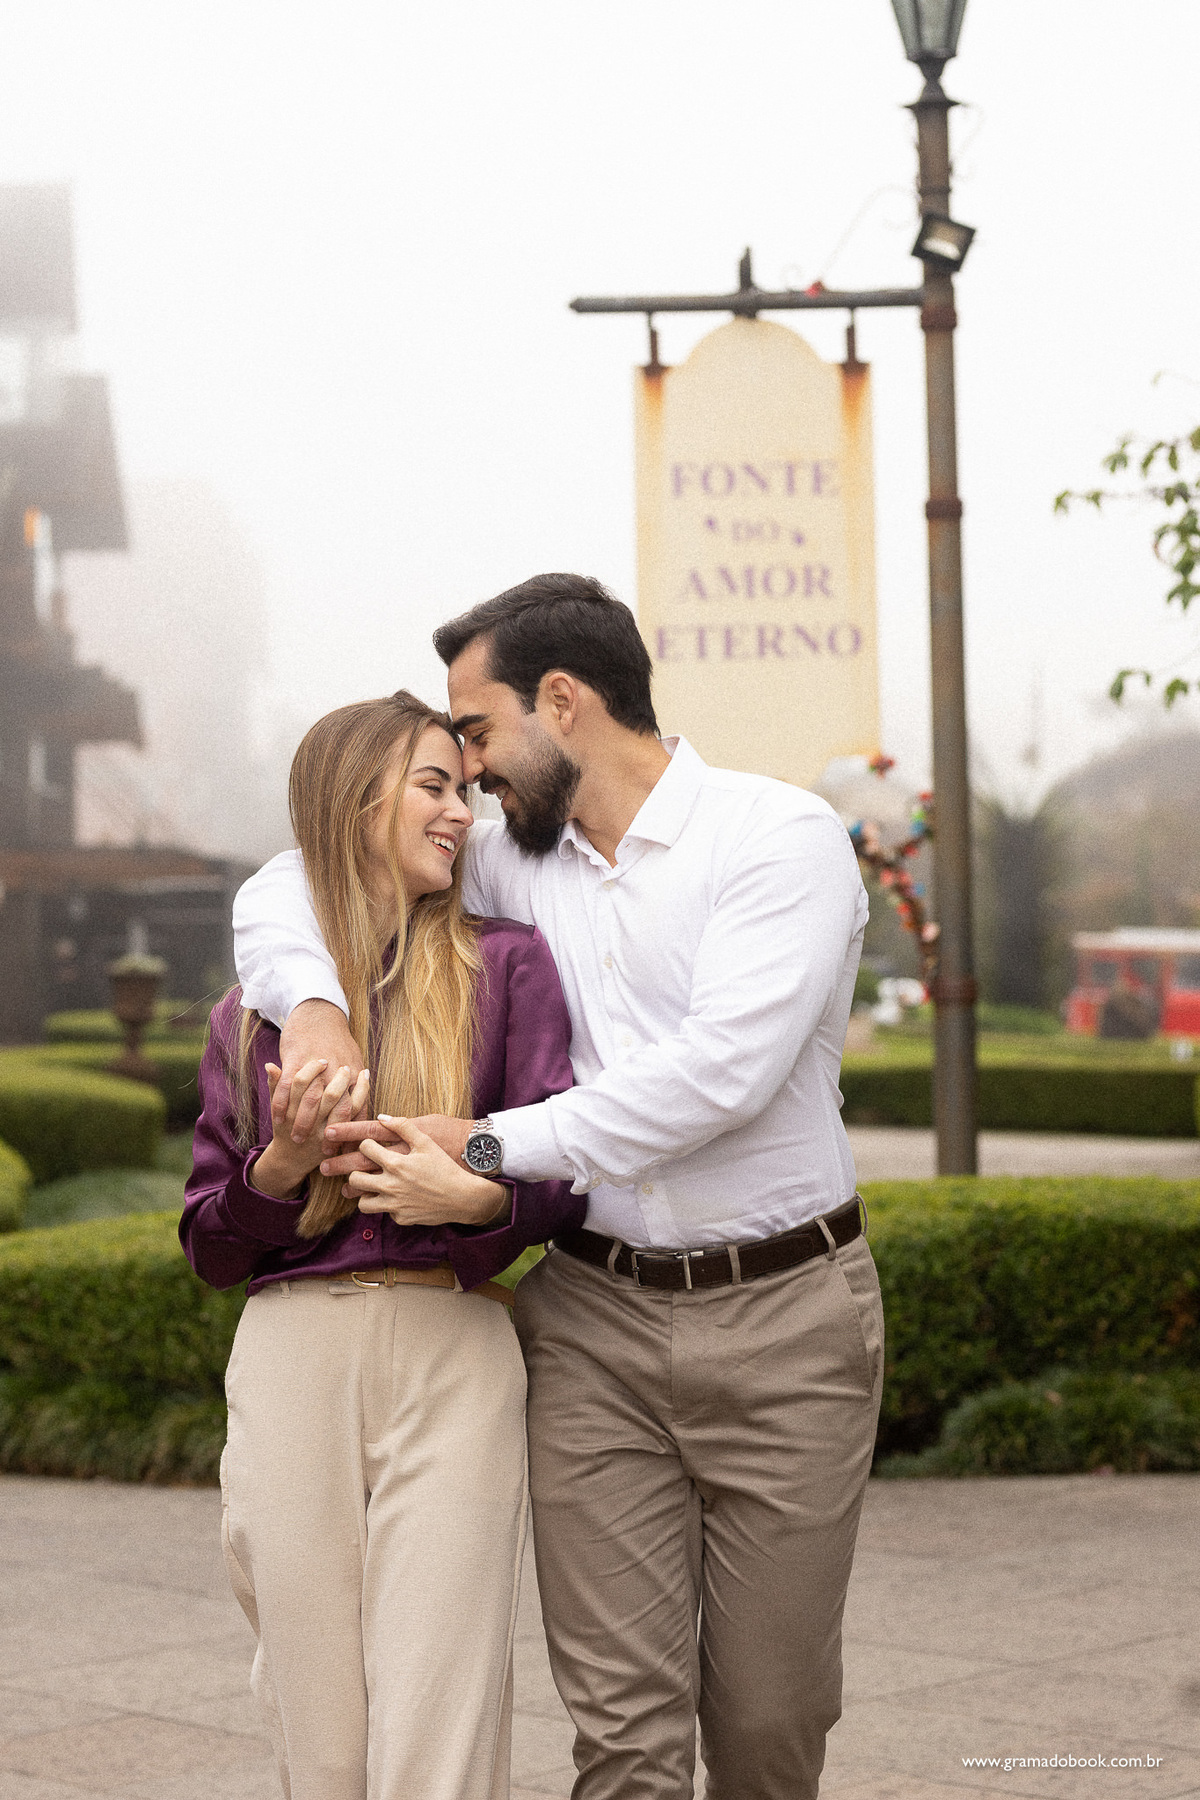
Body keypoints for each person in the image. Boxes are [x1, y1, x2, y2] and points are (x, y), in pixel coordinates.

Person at [233, 576, 885, 1800]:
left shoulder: (779, 837)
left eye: (476, 733)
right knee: (625, 1738)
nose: (469, 774)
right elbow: (295, 875)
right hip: (593, 1327)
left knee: (769, 1724)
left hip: (789, 1318)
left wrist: (486, 1147)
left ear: (564, 703)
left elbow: (722, 1078)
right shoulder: (521, 865)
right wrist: (313, 1002)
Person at [182, 689, 580, 1800]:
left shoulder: (509, 967)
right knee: (325, 1733)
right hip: (291, 1355)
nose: (463, 814)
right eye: (434, 787)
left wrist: (478, 1202)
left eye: (465, 787)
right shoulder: (254, 1016)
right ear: (355, 803)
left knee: (438, 1719)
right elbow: (211, 1246)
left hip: (454, 1351)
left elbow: (563, 1178)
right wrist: (278, 1172)